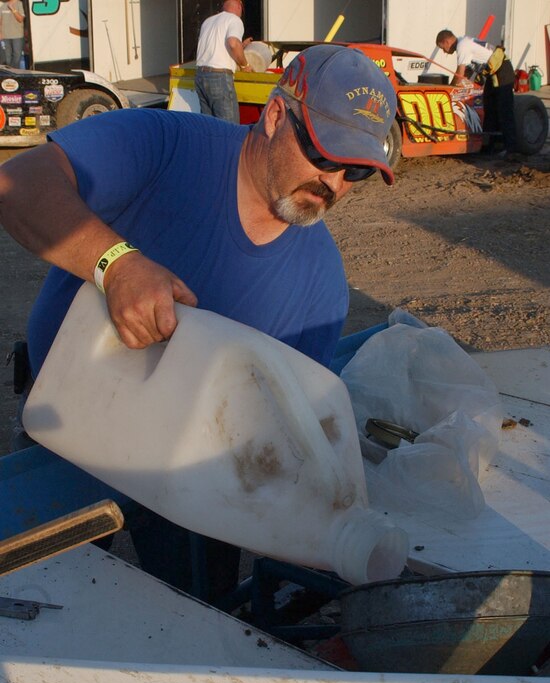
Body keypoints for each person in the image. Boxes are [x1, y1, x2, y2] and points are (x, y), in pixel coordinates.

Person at [0, 43, 397, 602]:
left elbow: (286, 430)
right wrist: (116, 265)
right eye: (325, 155)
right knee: (41, 609)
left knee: (197, 617)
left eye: (357, 170)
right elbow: (17, 185)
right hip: (68, 432)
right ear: (276, 115)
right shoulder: (166, 146)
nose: (333, 183)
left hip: (192, 476)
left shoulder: (322, 287)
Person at [435, 29, 518, 158]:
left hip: (502, 70)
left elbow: (460, 73)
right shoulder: (464, 42)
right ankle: (490, 146)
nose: (444, 52)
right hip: (494, 72)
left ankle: (511, 150)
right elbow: (467, 72)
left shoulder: (462, 46)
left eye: (442, 48)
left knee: (504, 109)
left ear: (446, 41)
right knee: (489, 109)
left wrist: (449, 89)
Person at [195, 0, 252, 123]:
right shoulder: (235, 20)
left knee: (209, 125)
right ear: (239, 6)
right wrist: (245, 65)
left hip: (200, 75)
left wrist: (241, 46)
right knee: (229, 127)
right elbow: (232, 43)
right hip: (219, 77)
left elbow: (217, 46)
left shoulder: (208, 21)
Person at [0, 0, 25, 69]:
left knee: (17, 56)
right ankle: (10, 72)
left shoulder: (19, 4)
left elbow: (20, 19)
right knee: (7, 58)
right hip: (5, 36)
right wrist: (0, 33)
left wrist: (13, 9)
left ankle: (14, 72)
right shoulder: (3, 5)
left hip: (17, 36)